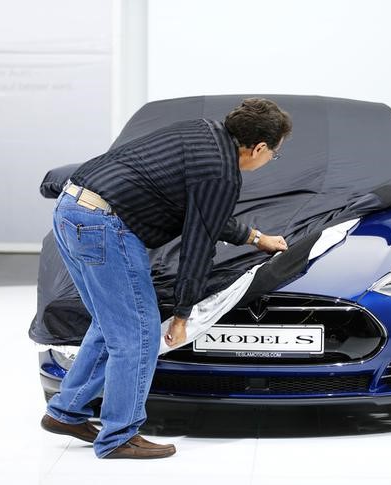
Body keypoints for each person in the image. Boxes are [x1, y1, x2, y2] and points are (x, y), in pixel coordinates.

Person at [40, 98, 292, 459]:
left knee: (111, 324)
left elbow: (206, 215)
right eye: (274, 155)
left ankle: (66, 411)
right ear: (259, 148)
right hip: (106, 227)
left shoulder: (202, 130)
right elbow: (198, 246)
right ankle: (118, 437)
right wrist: (182, 314)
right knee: (139, 335)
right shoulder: (221, 173)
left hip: (71, 210)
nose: (270, 161)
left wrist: (256, 238)